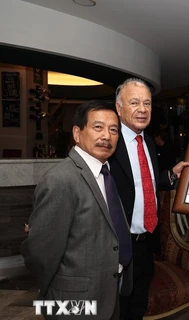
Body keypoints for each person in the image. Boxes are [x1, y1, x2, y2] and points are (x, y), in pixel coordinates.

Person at [21, 100, 132, 319]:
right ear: (77, 133)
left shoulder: (106, 173)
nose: (107, 136)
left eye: (113, 130)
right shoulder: (59, 180)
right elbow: (40, 253)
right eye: (98, 127)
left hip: (109, 291)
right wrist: (51, 297)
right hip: (73, 301)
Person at [109, 78, 189, 320]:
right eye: (134, 102)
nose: (142, 109)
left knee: (137, 304)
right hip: (118, 244)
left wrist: (170, 176)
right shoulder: (109, 141)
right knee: (115, 308)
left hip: (146, 242)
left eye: (147, 103)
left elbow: (142, 180)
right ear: (118, 107)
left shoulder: (145, 139)